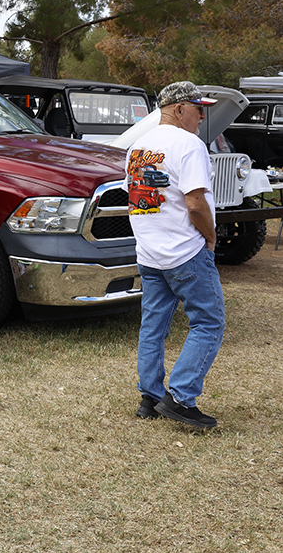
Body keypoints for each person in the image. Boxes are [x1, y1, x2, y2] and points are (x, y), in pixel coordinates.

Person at [126, 80, 224, 429]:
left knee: (153, 326)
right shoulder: (189, 144)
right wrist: (211, 239)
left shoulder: (137, 146)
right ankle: (181, 397)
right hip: (185, 250)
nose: (202, 115)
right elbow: (195, 204)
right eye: (198, 108)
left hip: (150, 252)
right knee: (209, 323)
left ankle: (149, 397)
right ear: (179, 109)